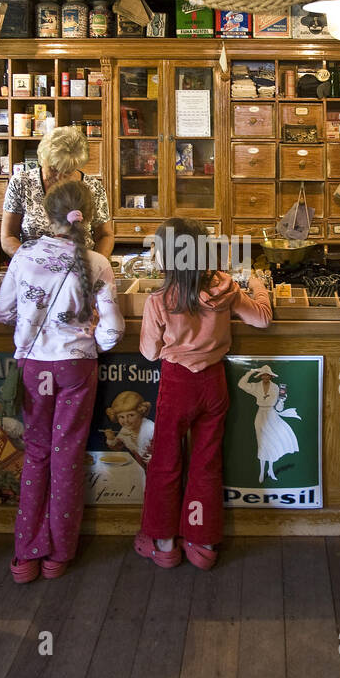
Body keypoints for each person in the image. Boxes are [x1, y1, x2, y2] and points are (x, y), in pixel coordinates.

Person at [0, 179, 124, 582]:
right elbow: (114, 330)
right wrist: (94, 344)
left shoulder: (25, 257)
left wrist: (33, 325)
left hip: (35, 367)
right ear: (87, 216)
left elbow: (2, 312)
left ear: (46, 216)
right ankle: (59, 552)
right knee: (67, 455)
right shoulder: (96, 263)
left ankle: (26, 553)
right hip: (75, 368)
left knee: (35, 454)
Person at [136, 217, 272, 570]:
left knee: (165, 462)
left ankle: (164, 542)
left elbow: (150, 353)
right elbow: (261, 319)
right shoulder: (226, 289)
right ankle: (203, 542)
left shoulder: (160, 299)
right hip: (213, 383)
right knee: (206, 463)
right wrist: (258, 286)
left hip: (177, 384)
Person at [0, 125, 114, 258]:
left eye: (67, 171)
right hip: (34, 269)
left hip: (80, 270)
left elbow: (105, 235)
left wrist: (95, 265)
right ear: (43, 159)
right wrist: (30, 261)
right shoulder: (21, 183)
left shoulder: (92, 187)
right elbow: (8, 237)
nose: (59, 176)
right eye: (53, 169)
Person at [237, 365, 301, 483]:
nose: (265, 376)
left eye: (267, 374)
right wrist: (249, 372)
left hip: (272, 415)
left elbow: (279, 407)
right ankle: (262, 471)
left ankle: (270, 470)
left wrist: (281, 401)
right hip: (261, 414)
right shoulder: (256, 386)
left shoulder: (276, 387)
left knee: (272, 443)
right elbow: (241, 384)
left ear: (271, 376)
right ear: (261, 376)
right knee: (262, 443)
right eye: (263, 374)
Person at [102, 390, 154, 467]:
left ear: (141, 412)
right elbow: (118, 447)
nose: (126, 420)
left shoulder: (151, 429)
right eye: (121, 417)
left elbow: (164, 451)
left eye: (131, 415)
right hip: (138, 467)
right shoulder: (126, 429)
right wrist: (111, 438)